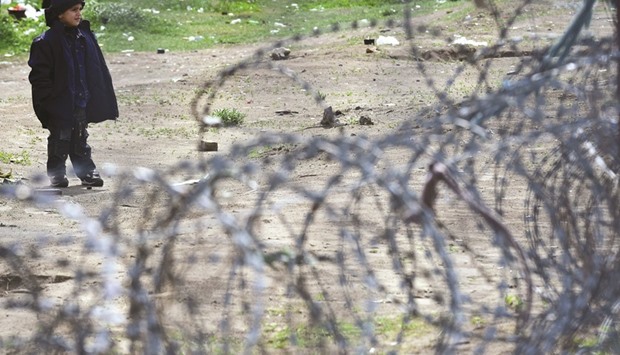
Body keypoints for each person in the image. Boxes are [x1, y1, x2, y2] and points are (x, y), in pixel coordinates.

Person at [28, 0, 118, 188]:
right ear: (60, 14)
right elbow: (40, 77)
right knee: (60, 138)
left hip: (80, 98)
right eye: (73, 10)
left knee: (80, 137)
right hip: (58, 101)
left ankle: (86, 172)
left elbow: (95, 67)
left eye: (80, 10)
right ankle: (57, 174)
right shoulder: (46, 42)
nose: (79, 14)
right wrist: (48, 100)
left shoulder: (84, 37)